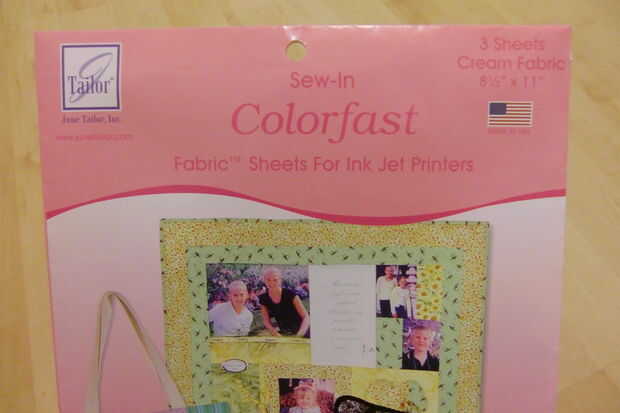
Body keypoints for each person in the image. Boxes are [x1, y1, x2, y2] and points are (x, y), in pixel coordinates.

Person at [259, 267, 310, 337]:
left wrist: (299, 335)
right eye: (268, 280)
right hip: (285, 333)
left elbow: (306, 317)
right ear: (264, 280)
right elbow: (266, 322)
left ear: (280, 280)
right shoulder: (263, 298)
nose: (271, 283)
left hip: (303, 330)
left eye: (275, 280)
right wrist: (276, 334)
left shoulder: (290, 294)